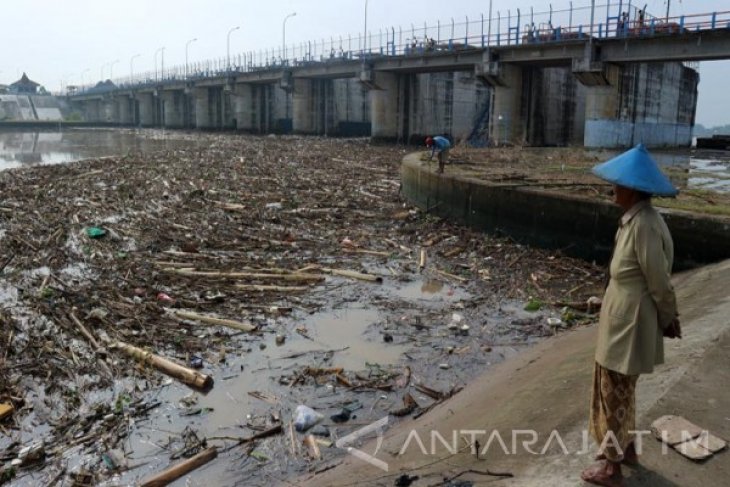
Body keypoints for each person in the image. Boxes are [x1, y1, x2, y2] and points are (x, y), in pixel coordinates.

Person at [581, 144, 682, 487]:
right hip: (621, 320)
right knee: (619, 390)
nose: (614, 189)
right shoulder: (635, 220)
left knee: (614, 394)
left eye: (619, 184)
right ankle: (626, 449)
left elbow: (658, 280)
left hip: (630, 325)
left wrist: (669, 317)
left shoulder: (644, 226)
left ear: (633, 189)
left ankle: (612, 469)